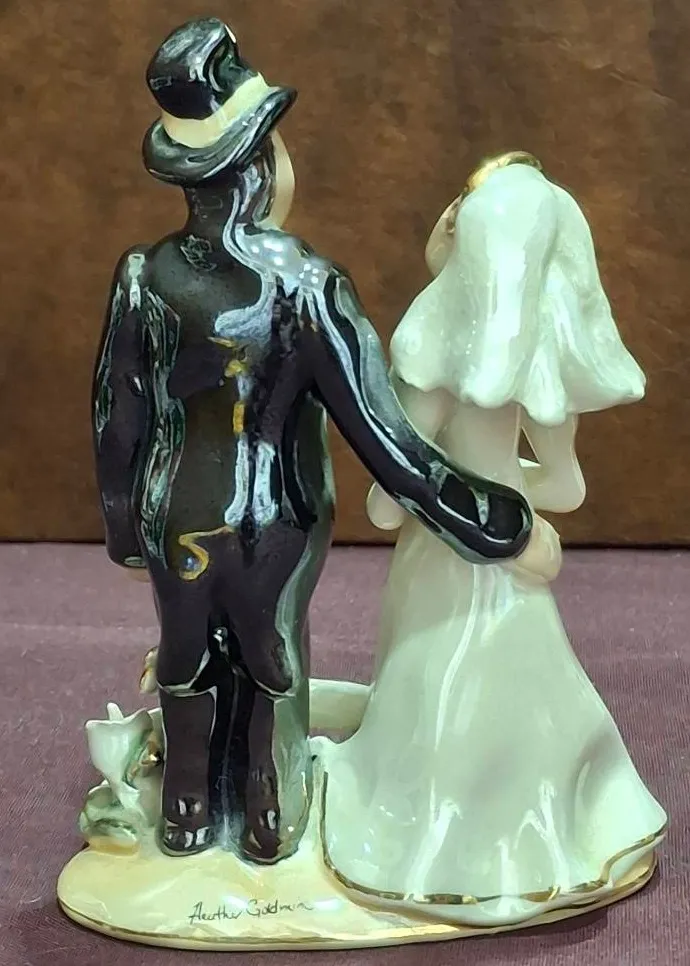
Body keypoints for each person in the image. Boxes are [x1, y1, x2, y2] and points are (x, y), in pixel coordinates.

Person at [92, 22, 533, 864]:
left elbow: (119, 421)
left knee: (184, 654)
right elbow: (381, 434)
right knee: (271, 653)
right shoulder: (306, 285)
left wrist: (125, 534)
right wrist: (483, 517)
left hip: (174, 517)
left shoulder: (143, 277)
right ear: (260, 164)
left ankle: (186, 811)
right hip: (276, 521)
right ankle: (269, 813)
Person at [319, 153, 667, 926]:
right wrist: (510, 498)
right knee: (529, 695)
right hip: (514, 572)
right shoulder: (544, 355)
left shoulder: (434, 349)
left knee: (435, 692)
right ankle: (564, 834)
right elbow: (565, 487)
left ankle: (433, 854)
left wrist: (432, 495)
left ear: (456, 230)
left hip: (440, 565)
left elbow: (387, 503)